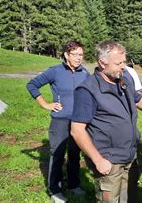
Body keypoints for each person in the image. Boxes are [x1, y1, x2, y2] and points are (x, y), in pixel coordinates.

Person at [70, 40, 142, 202]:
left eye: (124, 62)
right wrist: (98, 160)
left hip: (130, 156)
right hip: (109, 161)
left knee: (129, 198)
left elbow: (137, 99)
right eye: (118, 63)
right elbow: (77, 130)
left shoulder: (123, 81)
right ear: (102, 62)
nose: (123, 66)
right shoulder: (88, 90)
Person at [26, 40, 89, 202]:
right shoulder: (55, 71)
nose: (78, 58)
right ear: (66, 55)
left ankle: (74, 185)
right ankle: (55, 190)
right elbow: (32, 85)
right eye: (74, 54)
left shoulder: (85, 73)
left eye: (80, 54)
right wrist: (46, 104)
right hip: (60, 121)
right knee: (58, 154)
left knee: (75, 154)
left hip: (78, 122)